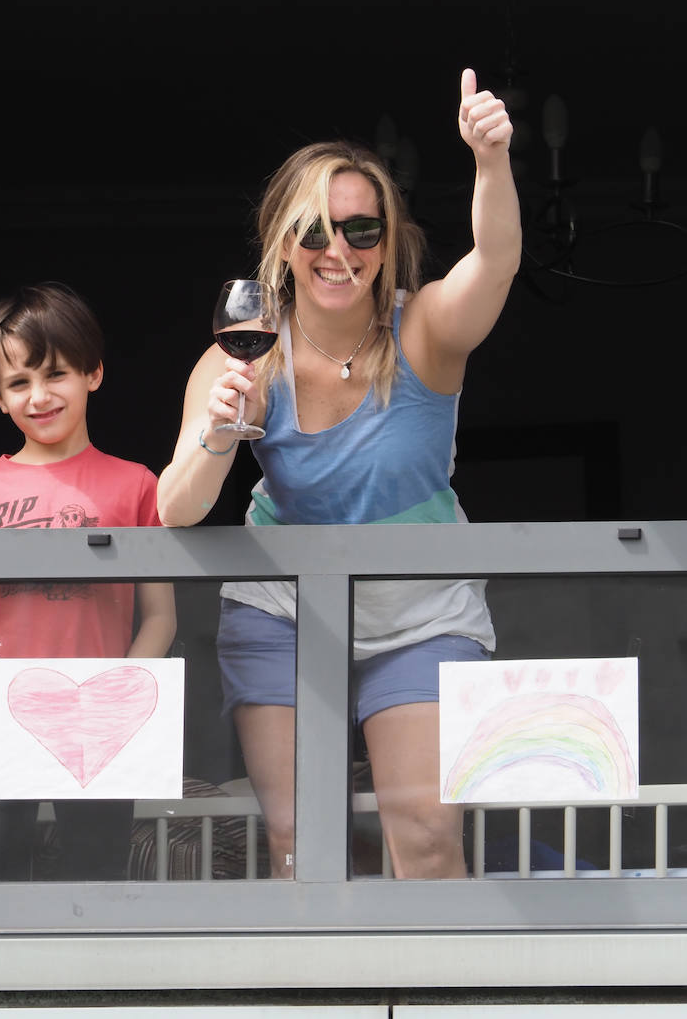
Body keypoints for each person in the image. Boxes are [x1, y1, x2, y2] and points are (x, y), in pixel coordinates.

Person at [157, 70, 518, 879]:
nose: (338, 250)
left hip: (422, 610)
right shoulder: (243, 351)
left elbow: (495, 260)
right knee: (298, 843)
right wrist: (220, 432)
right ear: (285, 241)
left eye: (362, 230)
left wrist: (489, 160)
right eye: (316, 231)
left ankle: (439, 1005)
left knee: (424, 834)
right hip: (283, 608)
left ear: (388, 240)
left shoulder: (423, 328)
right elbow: (173, 507)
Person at [0, 283, 178, 881]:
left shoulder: (138, 484)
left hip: (100, 725)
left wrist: (115, 700)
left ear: (94, 373)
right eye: (17, 383)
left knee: (98, 885)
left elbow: (161, 615)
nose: (38, 396)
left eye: (55, 374)